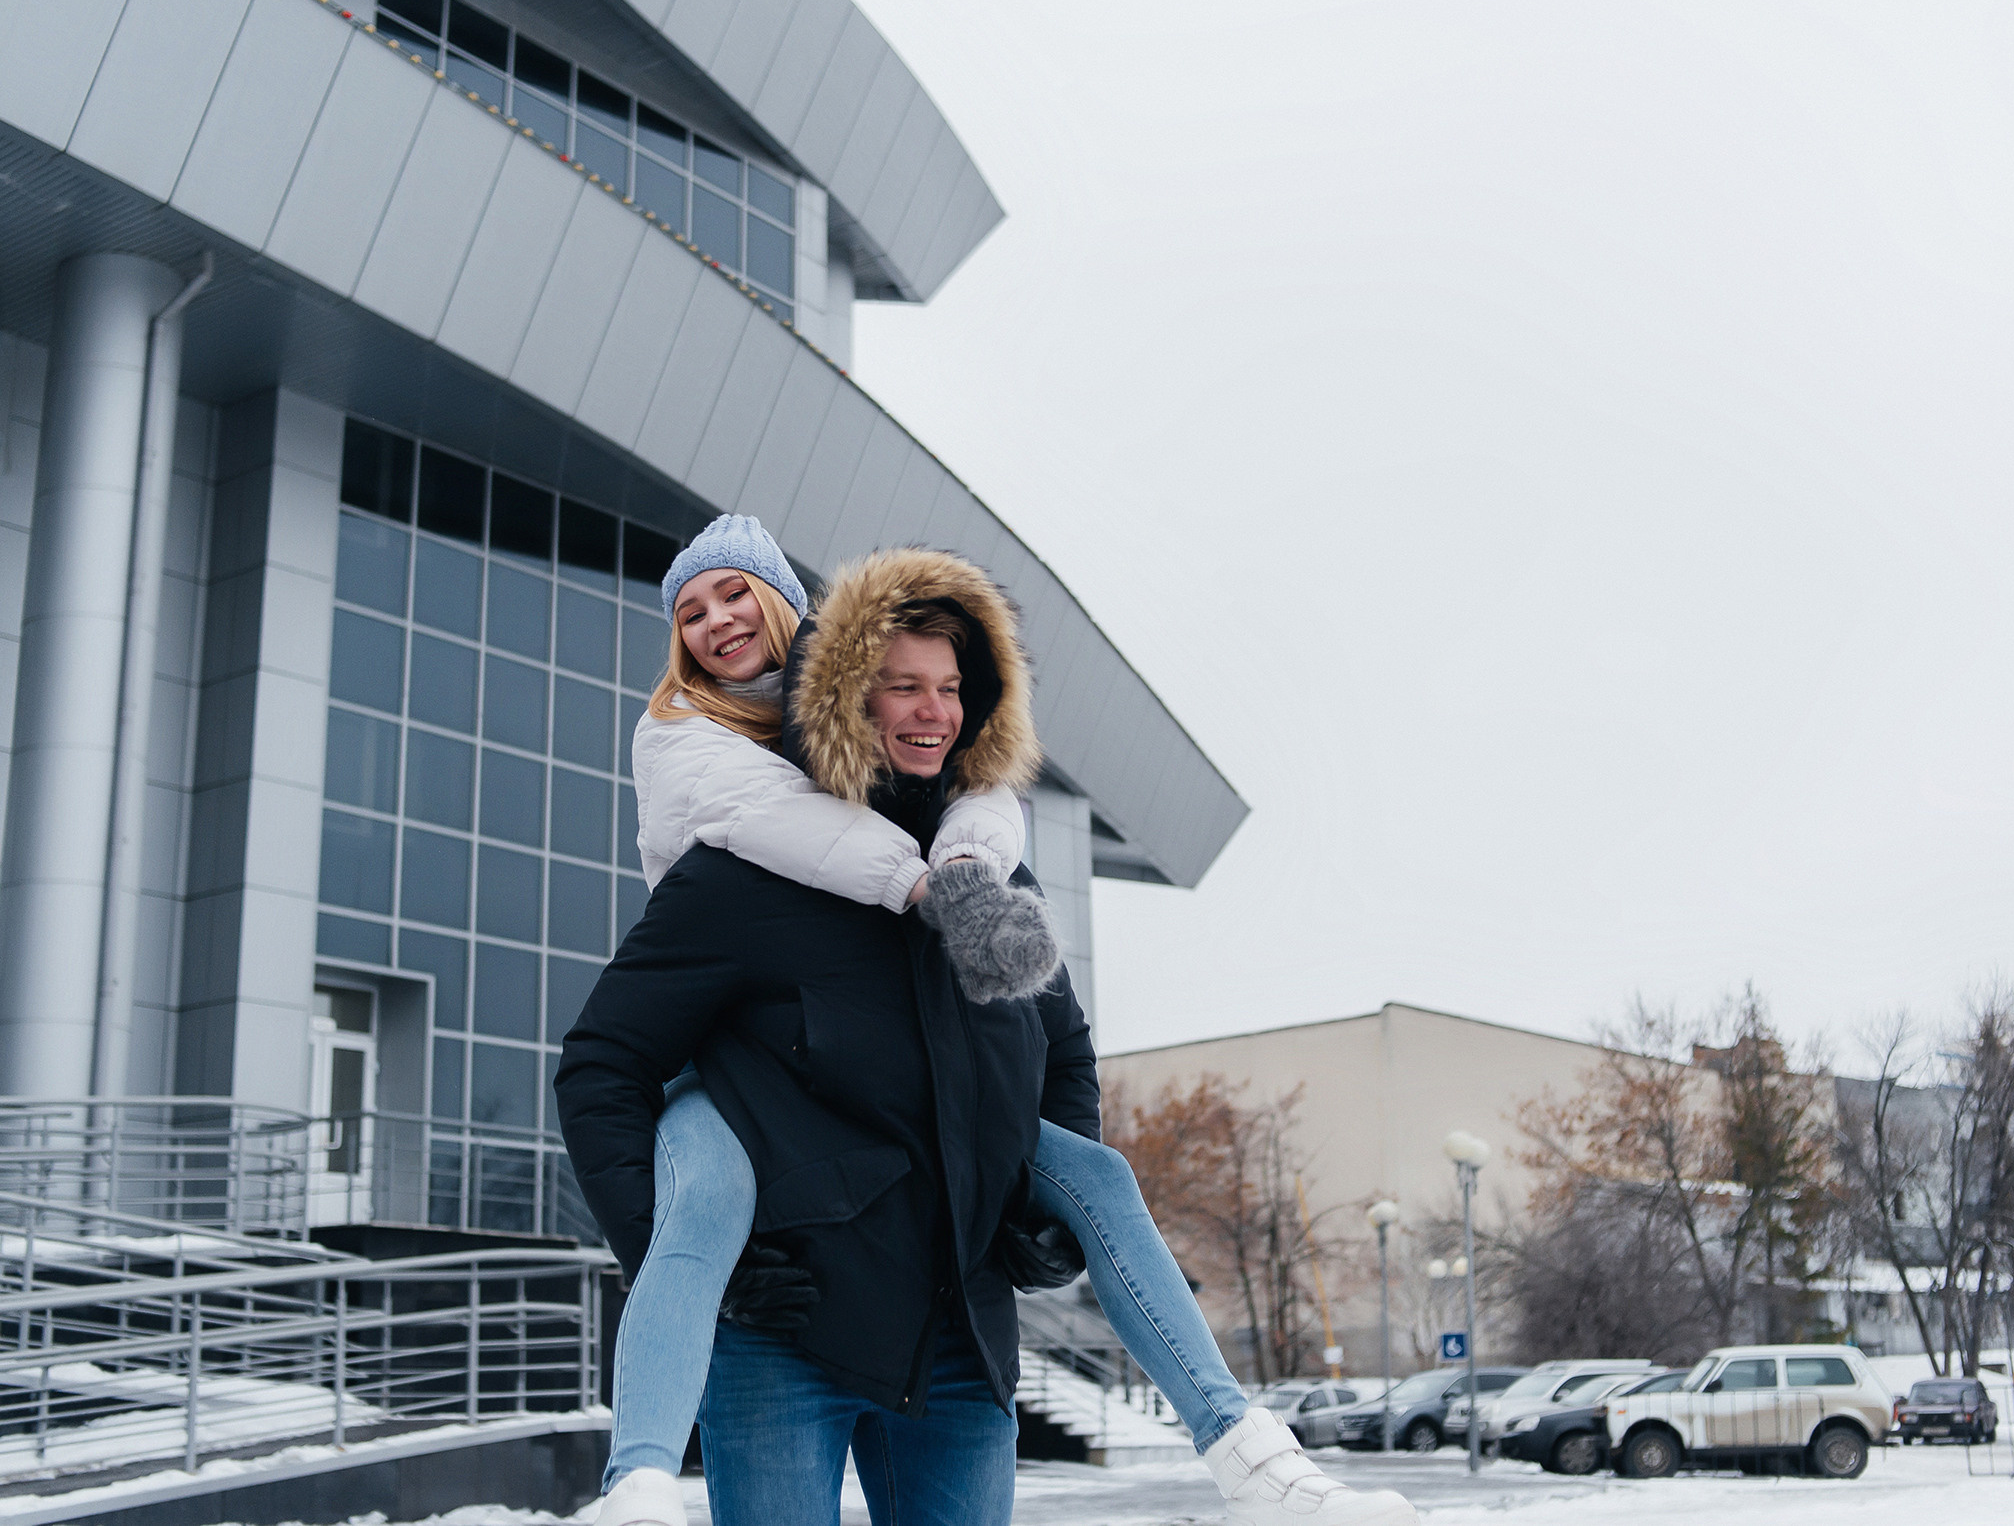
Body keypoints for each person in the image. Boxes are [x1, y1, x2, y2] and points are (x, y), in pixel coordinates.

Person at [560, 527, 1411, 1526]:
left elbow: (1064, 1053)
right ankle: (640, 1482)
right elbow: (602, 1066)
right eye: (902, 685)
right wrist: (681, 1247)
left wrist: (1040, 1218)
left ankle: (1254, 1459)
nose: (931, 711)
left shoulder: (991, 874)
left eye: (952, 687)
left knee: (1101, 1176)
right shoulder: (738, 864)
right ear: (842, 694)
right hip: (791, 1344)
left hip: (957, 1335)